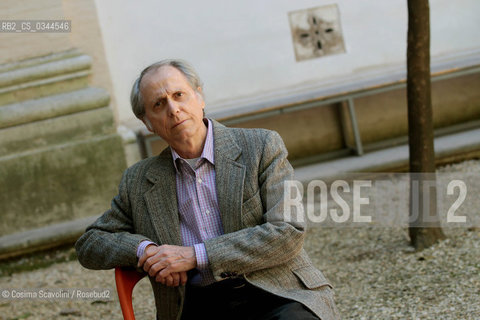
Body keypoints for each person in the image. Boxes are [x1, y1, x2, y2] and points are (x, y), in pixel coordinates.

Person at [75, 59, 339, 320]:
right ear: (148, 123)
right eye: (159, 104)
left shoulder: (261, 146)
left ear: (199, 97)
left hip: (276, 291)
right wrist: (146, 250)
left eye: (179, 95)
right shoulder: (138, 180)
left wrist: (194, 256)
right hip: (198, 305)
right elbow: (90, 244)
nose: (173, 109)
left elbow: (288, 230)